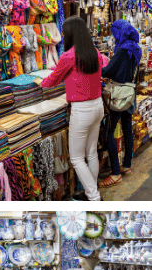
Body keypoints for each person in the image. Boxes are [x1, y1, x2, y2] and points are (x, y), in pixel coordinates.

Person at [43, 16, 108, 200]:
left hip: (82, 110)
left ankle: (94, 198)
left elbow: (53, 80)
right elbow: (105, 64)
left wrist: (41, 83)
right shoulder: (94, 52)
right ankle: (91, 193)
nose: (63, 36)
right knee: (91, 153)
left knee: (77, 158)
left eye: (64, 33)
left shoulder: (69, 56)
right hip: (97, 105)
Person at [98, 19, 140, 188]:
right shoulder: (135, 48)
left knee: (109, 132)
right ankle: (127, 166)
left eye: (114, 32)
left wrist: (99, 68)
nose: (114, 36)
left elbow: (108, 71)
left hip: (118, 96)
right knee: (127, 129)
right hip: (129, 94)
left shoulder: (122, 50)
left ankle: (115, 173)